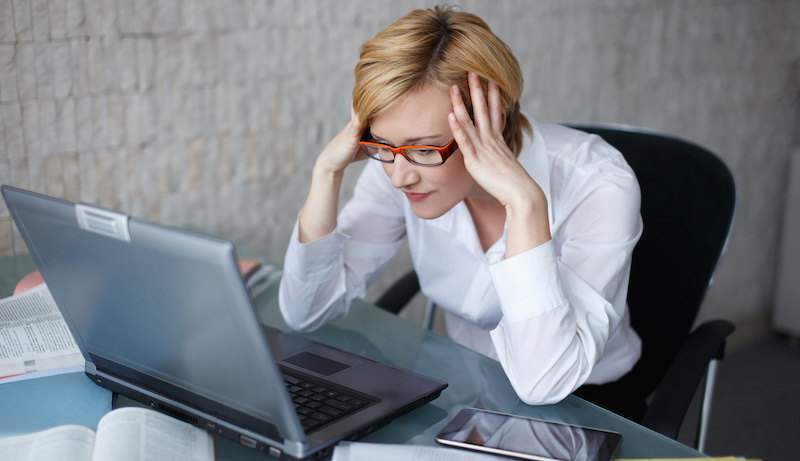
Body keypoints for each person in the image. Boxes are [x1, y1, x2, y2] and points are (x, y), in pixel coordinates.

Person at [279, 5, 642, 406]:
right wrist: (327, 172)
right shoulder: (399, 163)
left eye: (425, 148)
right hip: (468, 387)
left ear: (494, 119)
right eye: (382, 144)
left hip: (591, 402)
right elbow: (305, 312)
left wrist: (525, 206)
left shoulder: (598, 184)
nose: (400, 176)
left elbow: (545, 382)